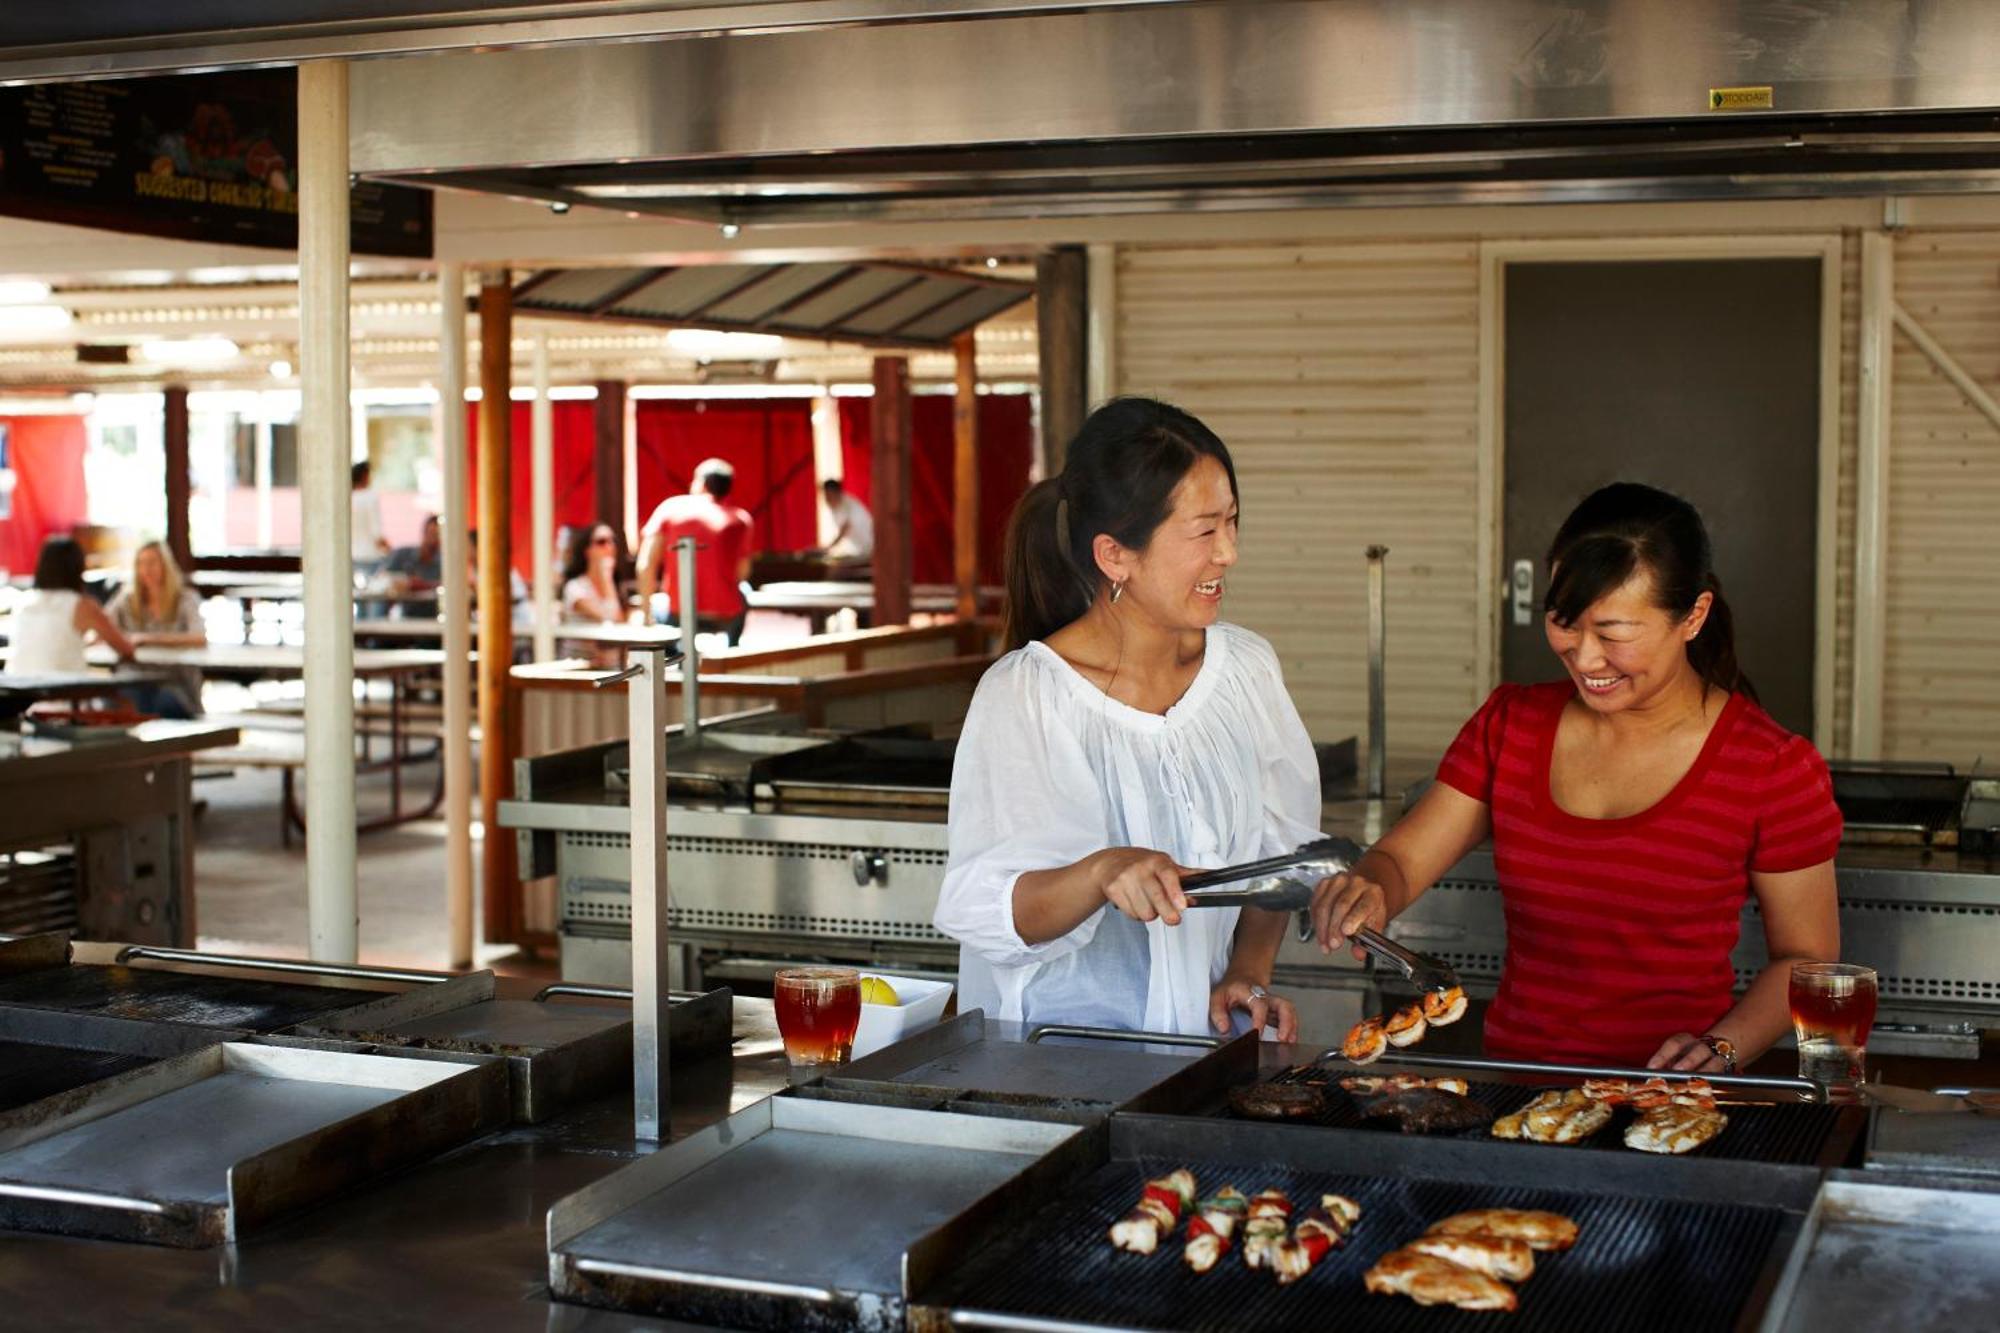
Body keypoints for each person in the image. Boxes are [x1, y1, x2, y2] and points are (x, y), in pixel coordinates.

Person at [1310, 483, 1842, 1073]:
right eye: (1565, 622)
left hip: (1668, 1104)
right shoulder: (1511, 724)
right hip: (1517, 1090)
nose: (1585, 658)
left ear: (1693, 616)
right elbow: (1404, 861)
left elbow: (1806, 959)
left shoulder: (1771, 766)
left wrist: (1722, 1046)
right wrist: (1371, 886)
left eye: (1613, 633)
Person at [933, 397, 1319, 1040]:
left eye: (1233, 522)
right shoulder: (1027, 695)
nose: (1228, 553)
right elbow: (990, 908)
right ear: (1115, 556)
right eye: (1203, 531)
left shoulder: (1246, 669)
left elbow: (1277, 855)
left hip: (1203, 1059)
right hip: (1055, 1065)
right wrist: (1099, 872)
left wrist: (1247, 974)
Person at [635, 458, 754, 646]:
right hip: (725, 615)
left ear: (702, 483)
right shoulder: (741, 519)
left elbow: (645, 564)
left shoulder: (671, 508)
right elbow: (743, 572)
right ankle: (731, 651)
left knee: (656, 604)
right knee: (745, 590)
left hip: (677, 614)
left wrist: (645, 614)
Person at [105, 540, 206, 718]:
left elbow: (198, 637)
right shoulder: (127, 598)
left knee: (163, 701)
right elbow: (103, 625)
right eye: (141, 563)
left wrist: (147, 638)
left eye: (152, 562)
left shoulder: (185, 598)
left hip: (174, 680)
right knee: (119, 697)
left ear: (165, 565)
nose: (146, 569)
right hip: (136, 676)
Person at [10, 535, 136, 676]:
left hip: (19, 691)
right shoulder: (81, 604)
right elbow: (126, 649)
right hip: (64, 692)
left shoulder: (24, 601)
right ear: (78, 567)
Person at [560, 522, 630, 668]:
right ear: (587, 550)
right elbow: (611, 617)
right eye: (601, 542)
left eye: (612, 541)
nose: (609, 547)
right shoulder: (576, 587)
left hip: (610, 668)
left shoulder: (616, 586)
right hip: (580, 669)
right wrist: (606, 577)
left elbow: (621, 625)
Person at [381, 514, 444, 618]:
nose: (432, 539)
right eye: (430, 533)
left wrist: (416, 585)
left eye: (436, 535)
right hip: (406, 615)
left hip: (433, 616)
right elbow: (382, 578)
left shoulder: (444, 561)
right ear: (423, 533)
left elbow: (447, 586)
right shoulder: (403, 554)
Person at [821, 477, 874, 560]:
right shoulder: (836, 508)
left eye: (829, 495)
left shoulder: (848, 505)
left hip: (870, 548)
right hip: (860, 550)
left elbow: (845, 529)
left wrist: (826, 549)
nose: (827, 499)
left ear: (836, 493)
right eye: (825, 496)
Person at [350, 459, 389, 570]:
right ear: (364, 476)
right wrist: (390, 551)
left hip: (351, 556)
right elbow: (376, 533)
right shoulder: (370, 497)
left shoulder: (347, 498)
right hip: (369, 557)